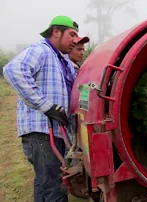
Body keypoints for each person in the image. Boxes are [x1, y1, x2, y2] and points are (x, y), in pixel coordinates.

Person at [2, 15, 79, 202]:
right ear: (56, 32)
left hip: (55, 132)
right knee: (55, 188)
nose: (75, 40)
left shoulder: (64, 61)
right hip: (42, 133)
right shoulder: (42, 50)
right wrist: (47, 106)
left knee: (44, 185)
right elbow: (13, 70)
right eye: (72, 34)